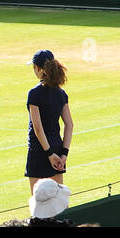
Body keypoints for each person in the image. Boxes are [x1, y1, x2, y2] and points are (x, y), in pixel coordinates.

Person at [25, 49, 73, 191]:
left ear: (38, 69)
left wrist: (49, 153)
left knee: (38, 201)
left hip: (39, 150)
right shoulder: (61, 93)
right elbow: (69, 125)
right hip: (57, 149)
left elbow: (38, 128)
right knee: (58, 199)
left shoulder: (34, 94)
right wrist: (63, 154)